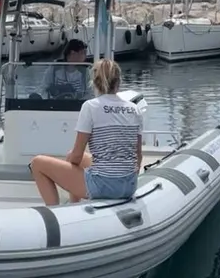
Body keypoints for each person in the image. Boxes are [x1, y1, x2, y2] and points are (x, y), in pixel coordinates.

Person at [30, 58, 142, 206]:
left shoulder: (90, 107)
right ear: (119, 82)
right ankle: (73, 204)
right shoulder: (134, 109)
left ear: (94, 83)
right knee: (77, 157)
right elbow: (138, 156)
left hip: (103, 186)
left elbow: (76, 155)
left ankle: (54, 211)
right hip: (129, 186)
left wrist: (69, 168)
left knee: (38, 163)